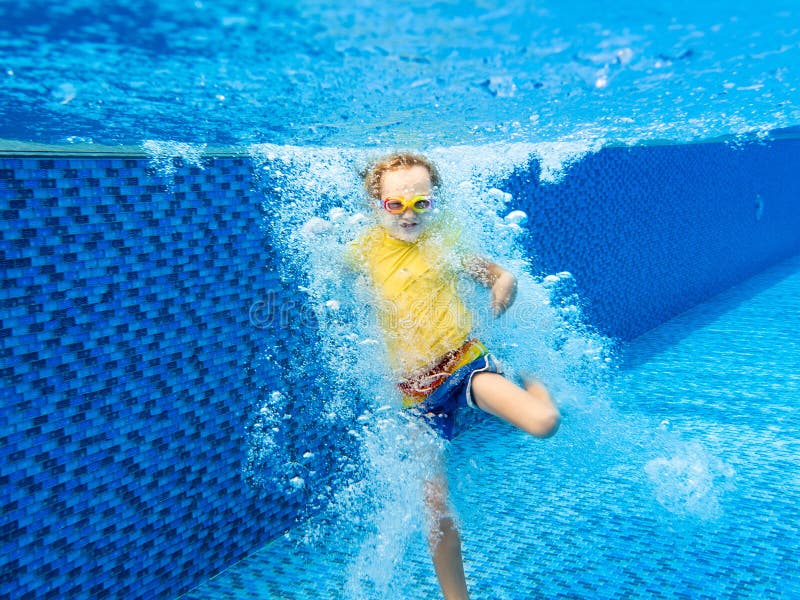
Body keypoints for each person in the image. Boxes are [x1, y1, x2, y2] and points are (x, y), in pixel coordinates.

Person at [348, 152, 560, 600]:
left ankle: (533, 377)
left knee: (544, 423)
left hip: (462, 367)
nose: (409, 215)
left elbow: (498, 274)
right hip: (413, 395)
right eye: (395, 205)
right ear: (377, 205)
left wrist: (504, 285)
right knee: (435, 507)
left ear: (433, 202)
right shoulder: (362, 250)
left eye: (420, 204)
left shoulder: (446, 241)